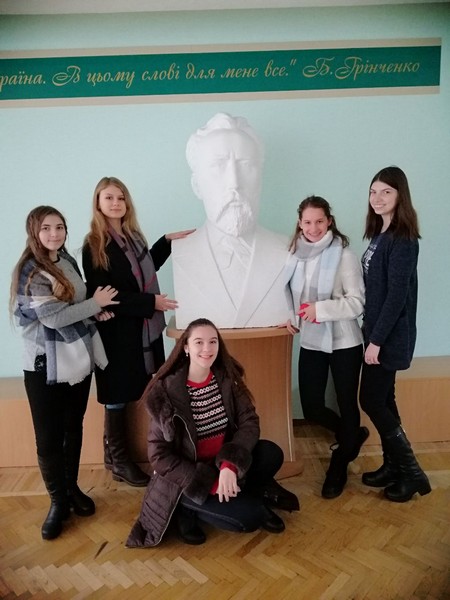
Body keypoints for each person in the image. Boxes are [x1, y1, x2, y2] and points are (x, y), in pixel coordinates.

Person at [126, 318, 299, 548]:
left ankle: (242, 493)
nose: (207, 349)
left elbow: (249, 422)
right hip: (188, 476)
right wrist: (211, 484)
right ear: (186, 347)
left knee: (271, 453)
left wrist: (229, 465)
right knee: (250, 518)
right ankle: (186, 508)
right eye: (199, 342)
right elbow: (159, 456)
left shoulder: (226, 378)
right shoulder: (166, 392)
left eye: (213, 342)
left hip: (220, 463)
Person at [10, 205, 119, 540]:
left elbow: (73, 304)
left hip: (76, 357)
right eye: (46, 228)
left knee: (73, 426)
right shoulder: (30, 271)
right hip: (43, 363)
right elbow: (54, 317)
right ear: (34, 232)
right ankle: (57, 502)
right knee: (48, 436)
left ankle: (72, 489)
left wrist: (92, 313)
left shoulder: (66, 260)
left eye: (59, 227)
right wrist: (95, 304)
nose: (54, 234)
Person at [82, 177, 194, 487]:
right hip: (117, 332)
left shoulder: (133, 237)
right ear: (98, 203)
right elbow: (105, 294)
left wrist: (165, 242)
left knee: (139, 389)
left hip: (142, 330)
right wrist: (151, 302)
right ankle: (119, 461)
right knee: (117, 396)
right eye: (109, 197)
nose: (116, 203)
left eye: (121, 197)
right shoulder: (94, 244)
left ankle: (112, 457)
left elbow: (143, 271)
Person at [172, 112, 294, 329]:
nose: (234, 183)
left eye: (246, 165)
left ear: (260, 179)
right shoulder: (182, 250)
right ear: (197, 185)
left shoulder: (286, 248)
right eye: (218, 166)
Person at [283, 196, 367, 499]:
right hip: (312, 340)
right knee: (312, 405)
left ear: (329, 221)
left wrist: (320, 310)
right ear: (299, 223)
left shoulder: (344, 255)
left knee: (346, 402)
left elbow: (357, 303)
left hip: (345, 341)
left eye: (319, 221)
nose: (313, 228)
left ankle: (339, 465)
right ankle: (351, 435)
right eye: (307, 222)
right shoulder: (295, 255)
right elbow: (288, 293)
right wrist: (290, 316)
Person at [359, 166, 431, 502]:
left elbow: (396, 296)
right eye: (373, 192)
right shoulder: (380, 234)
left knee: (371, 400)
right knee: (385, 398)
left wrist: (376, 341)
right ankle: (393, 467)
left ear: (401, 195)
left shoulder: (403, 240)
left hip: (388, 337)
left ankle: (413, 473)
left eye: (386, 191)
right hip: (375, 332)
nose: (377, 198)